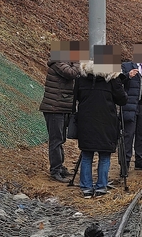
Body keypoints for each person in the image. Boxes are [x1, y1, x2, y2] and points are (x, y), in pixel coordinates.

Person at [74, 47, 128, 198]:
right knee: (104, 156)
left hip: (86, 122)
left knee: (86, 155)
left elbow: (77, 96)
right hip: (107, 122)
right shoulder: (112, 79)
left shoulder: (82, 77)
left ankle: (85, 188)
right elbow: (123, 100)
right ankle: (101, 187)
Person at [39, 40, 83, 183]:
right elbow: (71, 73)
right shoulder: (58, 61)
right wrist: (78, 62)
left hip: (62, 106)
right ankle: (55, 170)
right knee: (56, 140)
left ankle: (60, 167)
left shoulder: (64, 61)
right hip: (54, 107)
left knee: (61, 139)